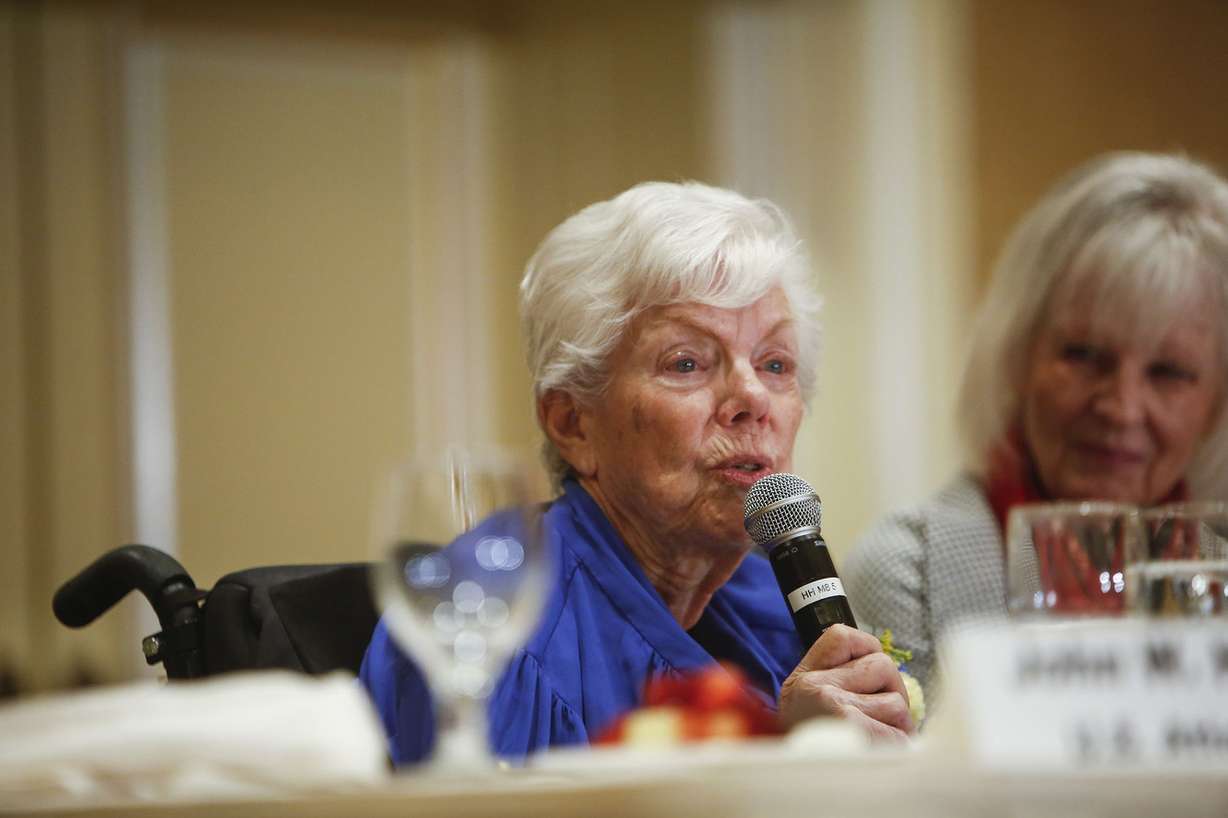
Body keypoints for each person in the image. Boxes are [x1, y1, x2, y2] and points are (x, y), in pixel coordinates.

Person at [360, 181, 914, 764]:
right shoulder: (488, 625)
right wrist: (784, 761)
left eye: (775, 363)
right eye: (687, 363)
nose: (753, 397)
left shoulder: (774, 601)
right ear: (573, 423)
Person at [844, 152, 1228, 693]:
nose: (1121, 407)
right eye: (1085, 354)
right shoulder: (911, 571)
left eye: (1168, 372)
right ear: (1017, 354)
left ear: (1217, 401)